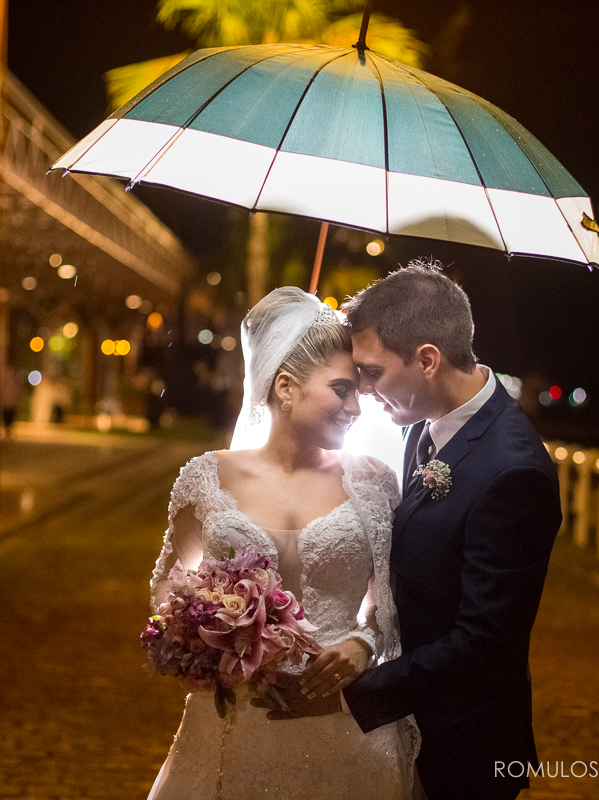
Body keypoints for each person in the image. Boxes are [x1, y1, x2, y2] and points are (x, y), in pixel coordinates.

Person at [266, 262, 562, 800]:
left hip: (464, 745)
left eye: (373, 372)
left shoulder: (513, 471)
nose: (364, 387)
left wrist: (352, 694)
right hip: (405, 726)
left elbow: (486, 645)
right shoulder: (421, 423)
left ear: (427, 359)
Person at [147, 286, 419, 800]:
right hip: (234, 721)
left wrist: (362, 646)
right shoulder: (206, 479)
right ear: (286, 386)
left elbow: (394, 604)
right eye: (342, 389)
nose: (357, 406)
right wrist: (202, 636)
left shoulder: (376, 484)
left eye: (360, 389)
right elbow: (168, 587)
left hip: (344, 724)